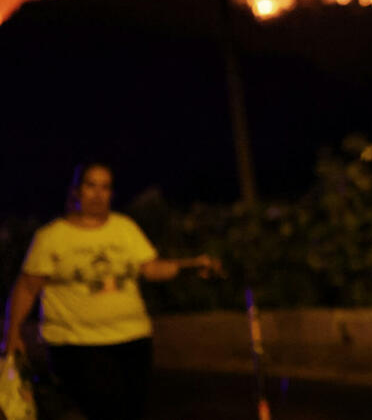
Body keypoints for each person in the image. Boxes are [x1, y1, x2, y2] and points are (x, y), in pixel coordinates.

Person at [1, 162, 221, 420]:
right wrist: (12, 332)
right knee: (103, 408)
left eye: (105, 187)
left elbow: (150, 268)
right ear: (76, 191)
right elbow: (27, 287)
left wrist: (191, 266)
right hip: (77, 345)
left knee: (131, 410)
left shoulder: (124, 228)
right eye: (91, 185)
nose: (98, 193)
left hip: (132, 340)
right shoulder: (52, 236)